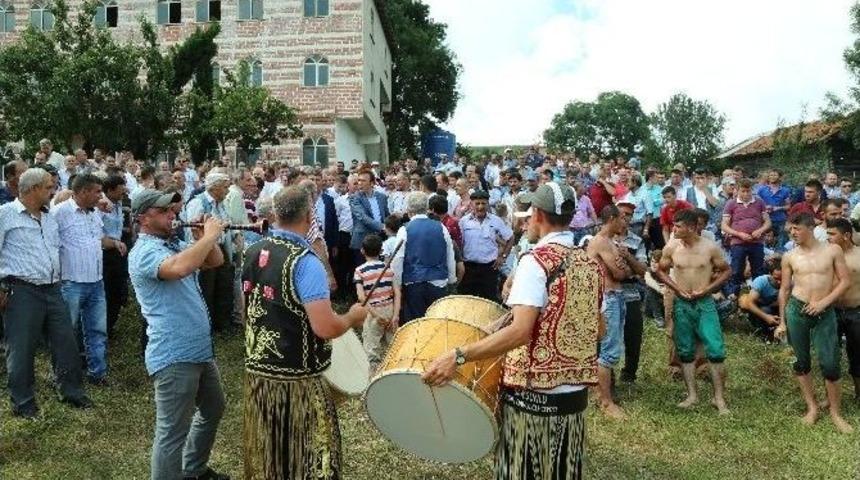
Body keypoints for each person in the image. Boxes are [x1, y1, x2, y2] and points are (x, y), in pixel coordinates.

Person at [422, 181, 603, 480]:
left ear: (539, 216)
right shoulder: (589, 263)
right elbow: (597, 329)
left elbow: (521, 332)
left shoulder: (535, 263)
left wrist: (458, 355)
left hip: (533, 400)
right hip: (573, 399)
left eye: (530, 213)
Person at [242, 186, 367, 479]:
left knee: (271, 454)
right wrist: (351, 317)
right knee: (310, 457)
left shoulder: (252, 251)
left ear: (275, 215)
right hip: (298, 380)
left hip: (259, 374)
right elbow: (324, 328)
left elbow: (248, 307)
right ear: (310, 216)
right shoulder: (305, 262)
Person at [128, 189, 229, 479]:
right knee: (172, 432)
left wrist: (201, 238)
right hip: (173, 352)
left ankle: (193, 470)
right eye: (163, 211)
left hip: (197, 348)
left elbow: (215, 260)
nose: (172, 214)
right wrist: (209, 235)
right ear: (143, 218)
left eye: (173, 209)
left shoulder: (173, 243)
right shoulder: (144, 252)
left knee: (213, 407)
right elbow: (180, 268)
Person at [0, 168, 93, 418]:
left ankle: (71, 391)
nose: (53, 191)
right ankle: (23, 403)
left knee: (66, 342)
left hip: (53, 289)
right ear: (32, 189)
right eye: (48, 187)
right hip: (21, 290)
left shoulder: (49, 217)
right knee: (22, 349)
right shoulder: (5, 215)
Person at [775, 213, 853, 433]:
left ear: (810, 228)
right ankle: (812, 407)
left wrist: (824, 302)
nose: (792, 233)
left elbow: (845, 280)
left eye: (797, 229)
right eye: (791, 229)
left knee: (830, 363)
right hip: (796, 309)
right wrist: (782, 321)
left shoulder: (832, 250)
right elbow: (784, 289)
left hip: (824, 310)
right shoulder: (790, 255)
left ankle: (836, 412)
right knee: (800, 361)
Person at [655, 209, 732, 414]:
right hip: (682, 302)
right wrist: (677, 288)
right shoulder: (671, 246)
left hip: (704, 302)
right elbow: (660, 270)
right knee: (685, 350)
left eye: (678, 226)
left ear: (691, 227)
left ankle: (719, 398)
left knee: (715, 350)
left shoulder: (709, 248)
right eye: (674, 225)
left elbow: (726, 270)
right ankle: (692, 395)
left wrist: (707, 289)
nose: (674, 229)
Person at [52, 173, 117, 385]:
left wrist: (115, 243)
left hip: (96, 282)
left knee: (97, 330)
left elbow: (98, 240)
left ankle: (97, 373)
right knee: (66, 331)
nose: (101, 196)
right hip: (71, 282)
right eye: (97, 191)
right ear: (82, 192)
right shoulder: (60, 213)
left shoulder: (94, 213)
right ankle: (62, 375)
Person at [587, 204, 640, 418]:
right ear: (611, 219)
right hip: (608, 296)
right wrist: (623, 267)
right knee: (609, 349)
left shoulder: (611, 242)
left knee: (609, 347)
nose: (624, 222)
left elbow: (626, 271)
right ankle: (605, 401)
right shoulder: (600, 241)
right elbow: (619, 274)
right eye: (621, 218)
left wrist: (624, 266)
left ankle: (600, 393)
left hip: (615, 296)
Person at [392, 192, 457, 322]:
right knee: (436, 322)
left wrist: (397, 284)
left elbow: (397, 260)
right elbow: (450, 255)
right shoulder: (441, 227)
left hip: (413, 281)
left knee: (415, 322)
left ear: (409, 209)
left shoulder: (404, 230)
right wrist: (451, 279)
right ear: (427, 208)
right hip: (438, 281)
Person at [185, 172, 235, 333]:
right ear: (215, 187)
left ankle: (223, 323)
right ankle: (208, 324)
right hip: (205, 250)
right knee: (207, 287)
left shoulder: (220, 203)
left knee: (224, 286)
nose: (227, 191)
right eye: (225, 188)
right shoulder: (197, 203)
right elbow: (191, 232)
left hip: (220, 248)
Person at [355, 234, 399, 375]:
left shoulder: (360, 271)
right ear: (381, 251)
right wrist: (396, 315)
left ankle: (372, 382)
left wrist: (376, 316)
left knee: (372, 352)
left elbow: (362, 298)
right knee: (391, 349)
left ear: (362, 250)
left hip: (372, 312)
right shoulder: (388, 269)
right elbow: (397, 293)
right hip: (390, 310)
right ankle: (390, 378)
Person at [458, 190, 513, 302]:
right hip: (469, 268)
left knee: (489, 300)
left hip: (489, 268)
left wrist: (503, 257)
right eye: (477, 203)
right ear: (471, 204)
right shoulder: (463, 222)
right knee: (467, 300)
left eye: (483, 203)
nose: (480, 207)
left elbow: (510, 238)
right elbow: (458, 243)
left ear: (488, 204)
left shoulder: (496, 221)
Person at [827, 217, 860, 402]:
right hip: (831, 311)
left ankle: (858, 394)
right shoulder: (827, 255)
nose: (828, 238)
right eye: (827, 234)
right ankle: (831, 397)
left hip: (856, 312)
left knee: (857, 354)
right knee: (830, 355)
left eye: (832, 234)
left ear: (846, 235)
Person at [721, 178, 771, 296]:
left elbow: (768, 222)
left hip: (756, 241)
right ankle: (733, 297)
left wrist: (760, 230)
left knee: (758, 270)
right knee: (736, 270)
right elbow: (724, 225)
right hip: (737, 242)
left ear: (751, 190)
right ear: (737, 190)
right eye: (743, 191)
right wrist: (739, 234)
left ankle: (758, 297)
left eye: (748, 191)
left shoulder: (759, 202)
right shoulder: (731, 204)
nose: (746, 194)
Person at [101, 174, 129, 337]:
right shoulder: (101, 207)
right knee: (108, 291)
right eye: (119, 191)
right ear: (110, 190)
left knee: (118, 290)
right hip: (106, 253)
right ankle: (104, 328)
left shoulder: (119, 204)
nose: (122, 194)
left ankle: (110, 325)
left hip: (119, 250)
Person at [349, 169, 389, 266]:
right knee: (363, 274)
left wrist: (389, 227)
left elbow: (387, 215)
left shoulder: (382, 197)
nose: (360, 183)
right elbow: (363, 217)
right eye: (359, 180)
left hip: (380, 241)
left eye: (363, 181)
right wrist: (383, 227)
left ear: (372, 183)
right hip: (362, 242)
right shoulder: (355, 198)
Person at [738, 261, 782, 342]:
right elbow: (750, 303)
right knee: (765, 310)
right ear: (770, 274)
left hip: (775, 308)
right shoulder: (761, 281)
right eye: (776, 278)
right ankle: (762, 331)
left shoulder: (789, 283)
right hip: (759, 308)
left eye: (782, 279)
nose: (779, 282)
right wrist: (766, 317)